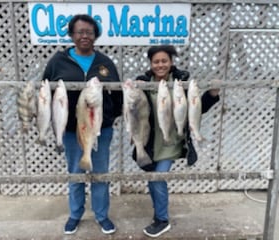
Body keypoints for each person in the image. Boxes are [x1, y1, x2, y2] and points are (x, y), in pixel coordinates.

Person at [42, 14, 123, 235]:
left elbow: (118, 96)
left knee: (101, 174)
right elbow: (45, 92)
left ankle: (101, 215)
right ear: (71, 35)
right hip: (70, 131)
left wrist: (107, 119)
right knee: (75, 172)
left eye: (89, 32)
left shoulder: (105, 63)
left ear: (95, 35)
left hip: (100, 130)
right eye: (80, 32)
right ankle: (75, 215)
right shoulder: (57, 62)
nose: (85, 36)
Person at [135, 45, 220, 238]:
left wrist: (212, 94)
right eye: (156, 61)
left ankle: (162, 220)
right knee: (153, 178)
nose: (160, 65)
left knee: (159, 177)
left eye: (164, 60)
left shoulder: (182, 81)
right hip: (150, 141)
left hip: (171, 141)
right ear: (150, 64)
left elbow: (197, 108)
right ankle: (158, 214)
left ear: (171, 62)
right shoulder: (144, 81)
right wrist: (133, 87)